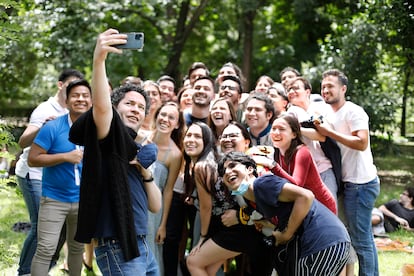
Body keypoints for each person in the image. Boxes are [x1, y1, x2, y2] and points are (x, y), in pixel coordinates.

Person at [68, 28, 162, 275]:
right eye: (129, 103)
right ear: (115, 107)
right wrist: (99, 60)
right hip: (117, 246)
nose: (135, 110)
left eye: (141, 107)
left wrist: (146, 172)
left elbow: (155, 206)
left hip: (142, 243)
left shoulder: (138, 150)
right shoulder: (107, 136)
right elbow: (100, 107)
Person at [218, 152, 351, 275]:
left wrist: (286, 233)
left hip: (322, 241)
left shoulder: (262, 184)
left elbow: (305, 196)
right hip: (330, 241)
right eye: (223, 172)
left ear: (250, 169)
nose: (228, 172)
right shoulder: (252, 197)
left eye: (233, 165)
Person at [15, 68, 84, 276]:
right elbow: (22, 142)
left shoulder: (76, 112)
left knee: (61, 232)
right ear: (60, 85)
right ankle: (26, 271)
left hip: (62, 182)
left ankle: (45, 266)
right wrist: (41, 127)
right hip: (34, 175)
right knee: (40, 230)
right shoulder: (45, 110)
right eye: (71, 87)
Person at [315, 68, 380, 276]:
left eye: (330, 86)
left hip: (361, 183)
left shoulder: (354, 111)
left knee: (361, 240)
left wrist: (329, 132)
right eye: (323, 86)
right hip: (346, 182)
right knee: (358, 236)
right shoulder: (325, 112)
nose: (326, 90)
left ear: (343, 88)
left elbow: (361, 143)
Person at [28, 79, 92, 276]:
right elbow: (33, 159)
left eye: (85, 95)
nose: (80, 99)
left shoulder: (97, 128)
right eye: (75, 95)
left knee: (76, 249)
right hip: (54, 199)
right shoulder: (53, 127)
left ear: (91, 100)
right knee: (46, 249)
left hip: (83, 201)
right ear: (67, 101)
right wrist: (65, 157)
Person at [286, 76, 340, 203]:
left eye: (296, 88)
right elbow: (321, 135)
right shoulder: (291, 112)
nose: (291, 92)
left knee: (331, 208)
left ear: (307, 92)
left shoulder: (319, 108)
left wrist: (297, 129)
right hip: (304, 171)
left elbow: (323, 135)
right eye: (289, 89)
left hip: (324, 167)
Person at [145, 102, 185, 275]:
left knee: (150, 248)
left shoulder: (175, 154)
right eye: (163, 114)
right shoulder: (142, 138)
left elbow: (169, 191)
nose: (165, 119)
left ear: (176, 124)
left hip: (154, 207)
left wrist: (163, 225)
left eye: (171, 117)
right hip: (133, 198)